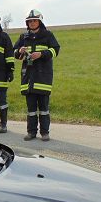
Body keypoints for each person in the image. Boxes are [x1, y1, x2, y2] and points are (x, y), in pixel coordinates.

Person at [14, 9, 60, 141]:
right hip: (28, 77)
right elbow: (15, 53)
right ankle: (31, 132)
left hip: (43, 77)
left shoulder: (47, 35)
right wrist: (20, 51)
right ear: (27, 23)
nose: (32, 23)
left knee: (44, 108)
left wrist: (41, 54)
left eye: (35, 20)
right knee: (31, 108)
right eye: (30, 21)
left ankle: (45, 133)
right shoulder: (24, 37)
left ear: (39, 21)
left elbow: (55, 50)